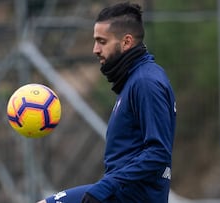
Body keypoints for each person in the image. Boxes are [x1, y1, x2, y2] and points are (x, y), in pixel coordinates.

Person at [37, 2, 176, 203]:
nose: (95, 49)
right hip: (122, 193)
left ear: (127, 42)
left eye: (102, 41)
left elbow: (158, 152)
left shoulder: (145, 82)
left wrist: (106, 186)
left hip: (133, 197)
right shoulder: (133, 79)